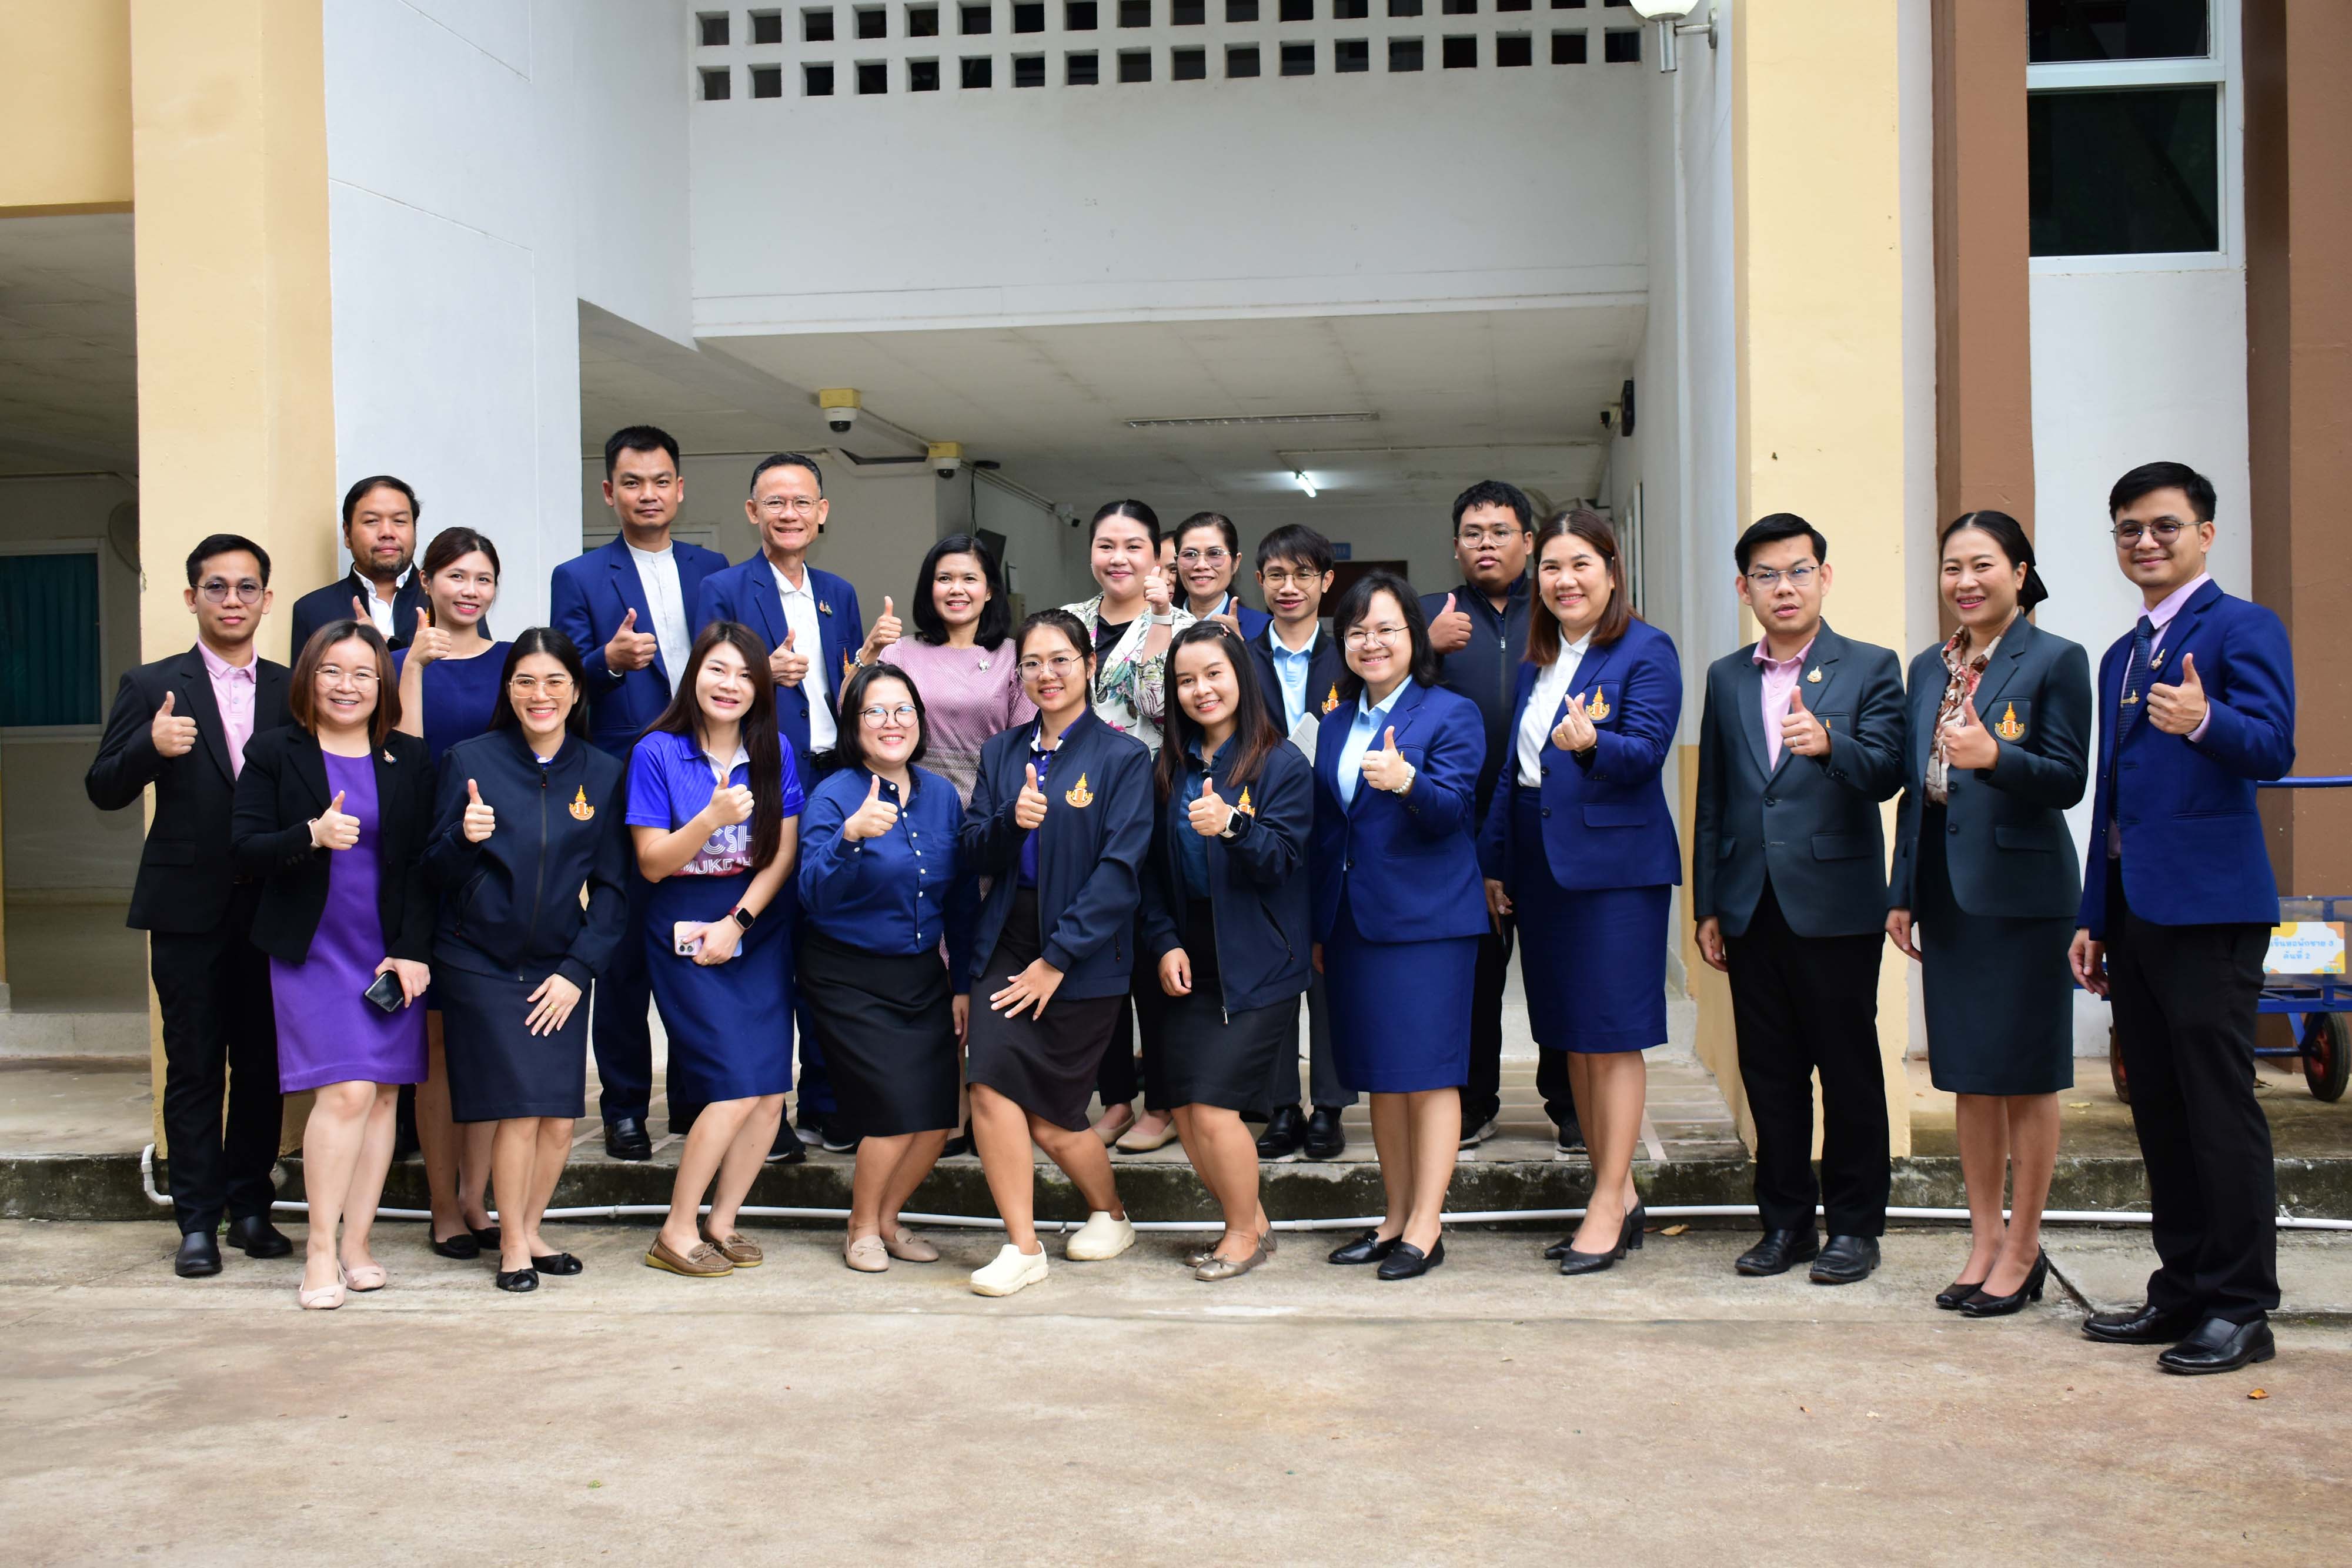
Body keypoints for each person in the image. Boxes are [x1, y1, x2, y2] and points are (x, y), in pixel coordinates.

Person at [2070, 462, 2296, 1375]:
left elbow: (2274, 746)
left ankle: (2242, 1306)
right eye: (2129, 528)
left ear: (2205, 532)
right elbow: (2111, 794)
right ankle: (2184, 1288)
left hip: (2210, 909)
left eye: (2165, 525)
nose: (2146, 542)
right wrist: (2094, 913)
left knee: (2217, 1106)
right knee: (2160, 1108)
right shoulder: (2121, 655)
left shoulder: (2243, 626)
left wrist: (2206, 720)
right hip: (2134, 911)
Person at [1691, 514, 1906, 1285]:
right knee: (1771, 1073)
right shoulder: (1726, 676)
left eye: (1798, 571)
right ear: (1743, 587)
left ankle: (1855, 1226)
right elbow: (1714, 795)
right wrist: (1708, 904)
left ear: (1824, 576)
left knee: (1848, 1073)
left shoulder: (1870, 666)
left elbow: (1889, 769)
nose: (1784, 587)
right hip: (1750, 904)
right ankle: (1785, 1223)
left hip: (1836, 903)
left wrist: (1832, 746)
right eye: (1766, 575)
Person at [1887, 513, 2090, 1316]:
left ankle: (2024, 1246)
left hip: (2024, 897)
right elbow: (1917, 791)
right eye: (1952, 567)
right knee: (1969, 1076)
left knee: (2027, 1076)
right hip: (1947, 892)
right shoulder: (1927, 668)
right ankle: (1982, 1239)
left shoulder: (2055, 659)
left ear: (2019, 572)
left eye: (1982, 565)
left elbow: (2068, 777)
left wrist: (1997, 756)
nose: (1965, 581)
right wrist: (1902, 891)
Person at [85, 534, 295, 1279]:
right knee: (196, 1067)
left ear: (266, 599)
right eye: (217, 587)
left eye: (246, 587)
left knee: (263, 1066)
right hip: (186, 910)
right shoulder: (151, 686)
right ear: (191, 597)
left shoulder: (291, 687)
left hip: (272, 908)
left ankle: (251, 1209)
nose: (232, 600)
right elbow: (103, 787)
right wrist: (149, 746)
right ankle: (197, 1221)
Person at [1479, 510, 1682, 1274]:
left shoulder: (1645, 649)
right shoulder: (1541, 660)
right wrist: (1496, 861)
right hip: (1541, 863)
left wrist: (1593, 743)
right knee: (1570, 1034)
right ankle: (1616, 1192)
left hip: (1614, 871)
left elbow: (1646, 752)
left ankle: (1606, 1201)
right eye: (1552, 568)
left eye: (1580, 565)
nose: (1565, 580)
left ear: (1611, 570)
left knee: (1611, 1033)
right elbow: (1515, 770)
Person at [231, 622, 436, 1309]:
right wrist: (311, 836)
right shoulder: (274, 752)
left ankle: (358, 1244)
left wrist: (412, 949)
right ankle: (319, 1249)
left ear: (382, 685)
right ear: (308, 678)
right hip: (313, 949)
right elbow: (244, 848)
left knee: (383, 1097)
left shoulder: (408, 757)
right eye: (331, 671)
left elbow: (422, 866)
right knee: (346, 1093)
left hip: (386, 952)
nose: (347, 686)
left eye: (362, 674)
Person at [422, 629, 630, 1292]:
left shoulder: (602, 773)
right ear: (508, 690)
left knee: (561, 1117)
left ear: (576, 690)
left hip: (558, 967)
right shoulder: (469, 760)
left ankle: (532, 1227)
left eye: (554, 682)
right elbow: (430, 872)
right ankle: (512, 1242)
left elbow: (614, 890)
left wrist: (577, 970)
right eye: (525, 682)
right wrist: (463, 838)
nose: (541, 695)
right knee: (519, 1108)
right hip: (479, 962)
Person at [958, 609, 1155, 1297]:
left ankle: (1111, 1213)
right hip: (1006, 939)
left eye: (1061, 660)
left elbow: (1120, 874)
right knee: (988, 1080)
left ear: (1089, 665)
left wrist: (1057, 960)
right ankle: (1022, 1247)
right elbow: (973, 849)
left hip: (1084, 953)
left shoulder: (1123, 757)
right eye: (1033, 664)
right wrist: (1010, 824)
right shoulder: (1001, 753)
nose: (1047, 674)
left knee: (1052, 1120)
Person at [549, 426, 729, 1163]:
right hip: (625, 778)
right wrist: (610, 660)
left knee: (696, 938)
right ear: (609, 492)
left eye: (660, 481)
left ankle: (694, 1098)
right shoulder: (579, 576)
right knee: (622, 949)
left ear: (680, 489)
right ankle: (625, 1108)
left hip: (708, 771)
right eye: (631, 482)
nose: (647, 494)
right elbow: (561, 678)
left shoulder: (713, 568)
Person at [696, 452, 883, 1158]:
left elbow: (845, 691)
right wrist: (761, 673)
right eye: (775, 502)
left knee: (828, 940)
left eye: (802, 502)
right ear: (753, 512)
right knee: (768, 943)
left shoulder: (838, 591)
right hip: (767, 775)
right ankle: (761, 1110)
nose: (789, 514)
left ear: (822, 512)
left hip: (836, 777)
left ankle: (829, 1102)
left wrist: (867, 661)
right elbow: (706, 681)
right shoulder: (723, 587)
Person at [1312, 573, 1488, 1281]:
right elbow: (1329, 830)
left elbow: (1453, 812)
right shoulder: (1333, 722)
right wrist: (1320, 923)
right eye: (1356, 632)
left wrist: (1407, 781)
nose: (1371, 643)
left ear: (1413, 637)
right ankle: (1393, 1218)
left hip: (1428, 923)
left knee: (1431, 1073)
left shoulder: (1451, 713)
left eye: (1385, 629)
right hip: (1353, 922)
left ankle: (1426, 1225)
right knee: (1383, 1077)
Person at [624, 622, 806, 1275]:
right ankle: (675, 1231)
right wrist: (709, 819)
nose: (730, 685)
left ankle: (722, 1221)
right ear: (693, 674)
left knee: (768, 1089)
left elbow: (782, 852)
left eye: (745, 675)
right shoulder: (656, 752)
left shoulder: (774, 749)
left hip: (754, 922)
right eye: (717, 670)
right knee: (731, 1086)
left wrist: (740, 921)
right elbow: (651, 862)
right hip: (682, 922)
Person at [1140, 623, 1313, 1280]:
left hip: (1260, 958)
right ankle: (1250, 1222)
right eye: (1185, 680)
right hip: (1188, 956)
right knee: (1186, 1110)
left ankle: (1241, 1233)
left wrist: (1236, 826)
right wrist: (1164, 941)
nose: (1201, 690)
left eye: (1213, 673)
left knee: (1215, 1108)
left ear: (1241, 675)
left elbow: (1283, 861)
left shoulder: (1280, 764)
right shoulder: (1170, 767)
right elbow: (1151, 874)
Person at [796, 666, 977, 1271]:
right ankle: (860, 1228)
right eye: (875, 711)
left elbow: (960, 900)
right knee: (893, 1112)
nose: (891, 723)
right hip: (847, 975)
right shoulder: (834, 796)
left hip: (921, 973)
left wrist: (962, 984)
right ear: (854, 725)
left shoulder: (940, 796)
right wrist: (849, 838)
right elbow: (812, 894)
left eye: (903, 710)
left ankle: (888, 1220)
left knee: (937, 1118)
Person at [1421, 480, 1574, 1152]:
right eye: (1473, 534)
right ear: (1456, 546)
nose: (1486, 544)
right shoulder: (1428, 614)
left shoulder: (1562, 608)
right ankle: (1474, 1102)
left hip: (1547, 821)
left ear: (1529, 542)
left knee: (1556, 967)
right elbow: (1374, 683)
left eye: (1501, 532)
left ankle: (1568, 1104)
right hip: (1455, 827)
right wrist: (1426, 647)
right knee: (1474, 977)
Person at [390, 526, 510, 1259]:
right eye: (456, 576)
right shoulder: (394, 662)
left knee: (488, 1041)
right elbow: (399, 760)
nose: (470, 590)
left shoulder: (511, 663)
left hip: (496, 868)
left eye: (483, 578)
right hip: (423, 864)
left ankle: (477, 1195)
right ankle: (442, 1204)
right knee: (434, 1046)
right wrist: (410, 665)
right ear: (427, 583)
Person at [1063, 500, 1194, 1152]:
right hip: (1079, 806)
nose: (1118, 558)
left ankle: (1162, 1102)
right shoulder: (1069, 621)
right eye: (1106, 544)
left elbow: (1158, 706)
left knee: (1152, 950)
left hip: (1155, 800)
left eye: (1133, 546)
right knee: (1095, 950)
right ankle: (1114, 1095)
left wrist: (1162, 620)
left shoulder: (1188, 626)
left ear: (1157, 556)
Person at [1243, 523, 1352, 1160]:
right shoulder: (1239, 655)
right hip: (1261, 831)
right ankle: (1281, 1104)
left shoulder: (1348, 656)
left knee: (1328, 971)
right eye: (1277, 575)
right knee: (1274, 966)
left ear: (1326, 581)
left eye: (1303, 574)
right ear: (1259, 581)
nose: (1290, 587)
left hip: (1334, 833)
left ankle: (1330, 1106)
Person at [880, 534, 1035, 807]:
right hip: (911, 809)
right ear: (930, 589)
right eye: (945, 579)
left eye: (969, 579)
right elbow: (853, 719)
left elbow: (1024, 746)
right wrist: (869, 653)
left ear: (989, 591)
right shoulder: (900, 653)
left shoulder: (1013, 657)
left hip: (987, 811)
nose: (956, 589)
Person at [288, 475, 429, 654]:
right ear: (347, 534)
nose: (387, 532)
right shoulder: (313, 610)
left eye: (399, 521)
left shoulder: (443, 601)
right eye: (372, 521)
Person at [1171, 511, 1271, 639]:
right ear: (1177, 562)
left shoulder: (1264, 628)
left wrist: (1238, 645)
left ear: (1236, 562)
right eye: (1190, 554)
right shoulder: (1158, 625)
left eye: (1214, 554)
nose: (1201, 565)